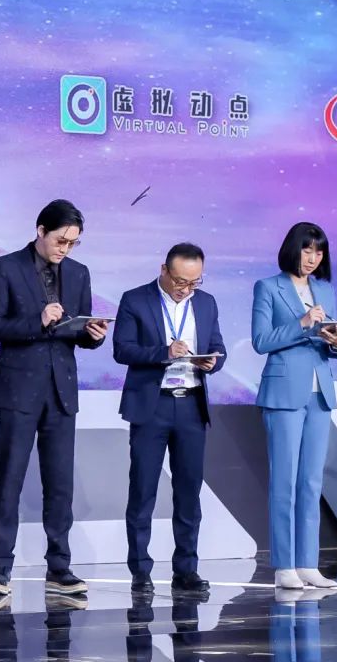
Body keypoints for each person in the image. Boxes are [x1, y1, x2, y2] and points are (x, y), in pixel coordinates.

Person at [0, 199, 108, 598]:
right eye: (60, 240)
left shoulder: (79, 272)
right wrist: (37, 320)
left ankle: (59, 567)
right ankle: (0, 569)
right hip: (18, 390)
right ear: (40, 230)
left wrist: (91, 335)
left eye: (73, 243)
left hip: (61, 391)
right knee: (9, 480)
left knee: (60, 483)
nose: (65, 249)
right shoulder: (5, 267)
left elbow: (76, 330)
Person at [113, 243, 226, 595]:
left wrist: (213, 361)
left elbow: (219, 346)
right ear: (164, 270)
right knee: (143, 490)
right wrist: (164, 352)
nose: (186, 289)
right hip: (152, 405)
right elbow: (122, 349)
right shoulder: (135, 299)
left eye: (194, 282)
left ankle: (186, 569)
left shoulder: (206, 303)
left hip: (191, 404)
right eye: (180, 281)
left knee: (189, 491)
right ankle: (140, 571)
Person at [252, 222, 337, 590]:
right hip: (283, 393)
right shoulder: (268, 287)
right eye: (307, 250)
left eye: (319, 252)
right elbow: (261, 341)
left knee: (311, 481)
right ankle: (284, 565)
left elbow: (329, 345)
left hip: (319, 392)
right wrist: (302, 322)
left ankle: (308, 563)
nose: (313, 258)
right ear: (293, 249)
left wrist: (336, 341)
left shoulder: (325, 289)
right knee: (285, 480)